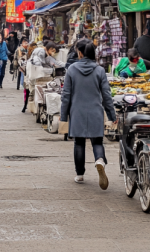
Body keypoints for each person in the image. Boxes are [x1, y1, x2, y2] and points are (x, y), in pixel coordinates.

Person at [60, 39, 117, 189]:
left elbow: (66, 94)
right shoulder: (99, 71)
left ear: (80, 53)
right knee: (97, 141)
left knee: (79, 143)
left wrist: (63, 116)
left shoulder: (72, 69)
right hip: (95, 111)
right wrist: (112, 115)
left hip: (77, 111)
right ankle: (99, 160)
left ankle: (80, 174)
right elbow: (106, 95)